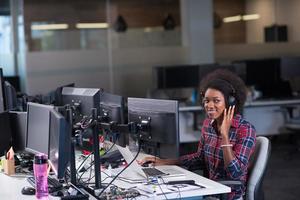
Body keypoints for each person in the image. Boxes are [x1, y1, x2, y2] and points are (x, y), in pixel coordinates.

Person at [139, 69, 256, 200]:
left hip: (229, 196)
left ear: (230, 103)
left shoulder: (245, 130)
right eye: (206, 100)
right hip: (208, 190)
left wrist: (224, 136)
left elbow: (234, 173)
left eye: (216, 101)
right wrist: (163, 162)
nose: (209, 105)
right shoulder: (208, 124)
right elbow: (199, 158)